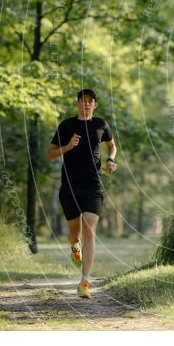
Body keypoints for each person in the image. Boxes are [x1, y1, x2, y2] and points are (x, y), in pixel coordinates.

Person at [47, 88, 117, 298]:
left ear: (95, 105)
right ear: (77, 103)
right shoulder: (66, 126)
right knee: (74, 233)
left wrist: (111, 159)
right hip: (69, 186)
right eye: (82, 100)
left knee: (89, 230)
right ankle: (74, 247)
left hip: (93, 185)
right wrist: (68, 146)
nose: (86, 104)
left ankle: (85, 281)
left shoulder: (100, 124)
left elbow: (112, 146)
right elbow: (49, 154)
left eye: (90, 101)